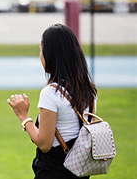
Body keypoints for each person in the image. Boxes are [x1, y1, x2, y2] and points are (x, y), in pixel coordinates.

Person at [6, 24, 97, 179]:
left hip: (53, 171)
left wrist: (23, 116)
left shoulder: (51, 93)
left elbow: (44, 144)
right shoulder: (89, 90)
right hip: (80, 170)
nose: (40, 54)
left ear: (51, 54)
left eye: (41, 49)